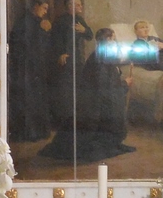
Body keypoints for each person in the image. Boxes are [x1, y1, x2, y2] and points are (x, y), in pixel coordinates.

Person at [39, 27, 134, 163]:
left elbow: (112, 74)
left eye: (114, 38)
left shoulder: (104, 55)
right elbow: (104, 87)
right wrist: (124, 83)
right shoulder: (99, 58)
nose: (113, 42)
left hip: (99, 101)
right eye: (110, 39)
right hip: (95, 105)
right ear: (103, 41)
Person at [6, 0, 54, 142]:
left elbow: (43, 45)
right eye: (44, 8)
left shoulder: (37, 22)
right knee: (27, 100)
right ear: (36, 6)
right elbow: (25, 44)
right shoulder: (25, 22)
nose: (45, 12)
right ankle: (28, 133)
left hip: (35, 68)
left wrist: (45, 31)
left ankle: (38, 131)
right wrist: (42, 30)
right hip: (25, 68)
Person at [48, 0, 93, 130]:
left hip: (77, 58)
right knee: (65, 90)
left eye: (80, 5)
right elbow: (55, 40)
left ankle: (75, 120)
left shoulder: (79, 20)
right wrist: (60, 53)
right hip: (65, 58)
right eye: (78, 5)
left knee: (77, 88)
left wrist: (84, 30)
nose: (80, 7)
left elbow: (90, 35)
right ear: (70, 7)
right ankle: (63, 121)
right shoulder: (60, 21)